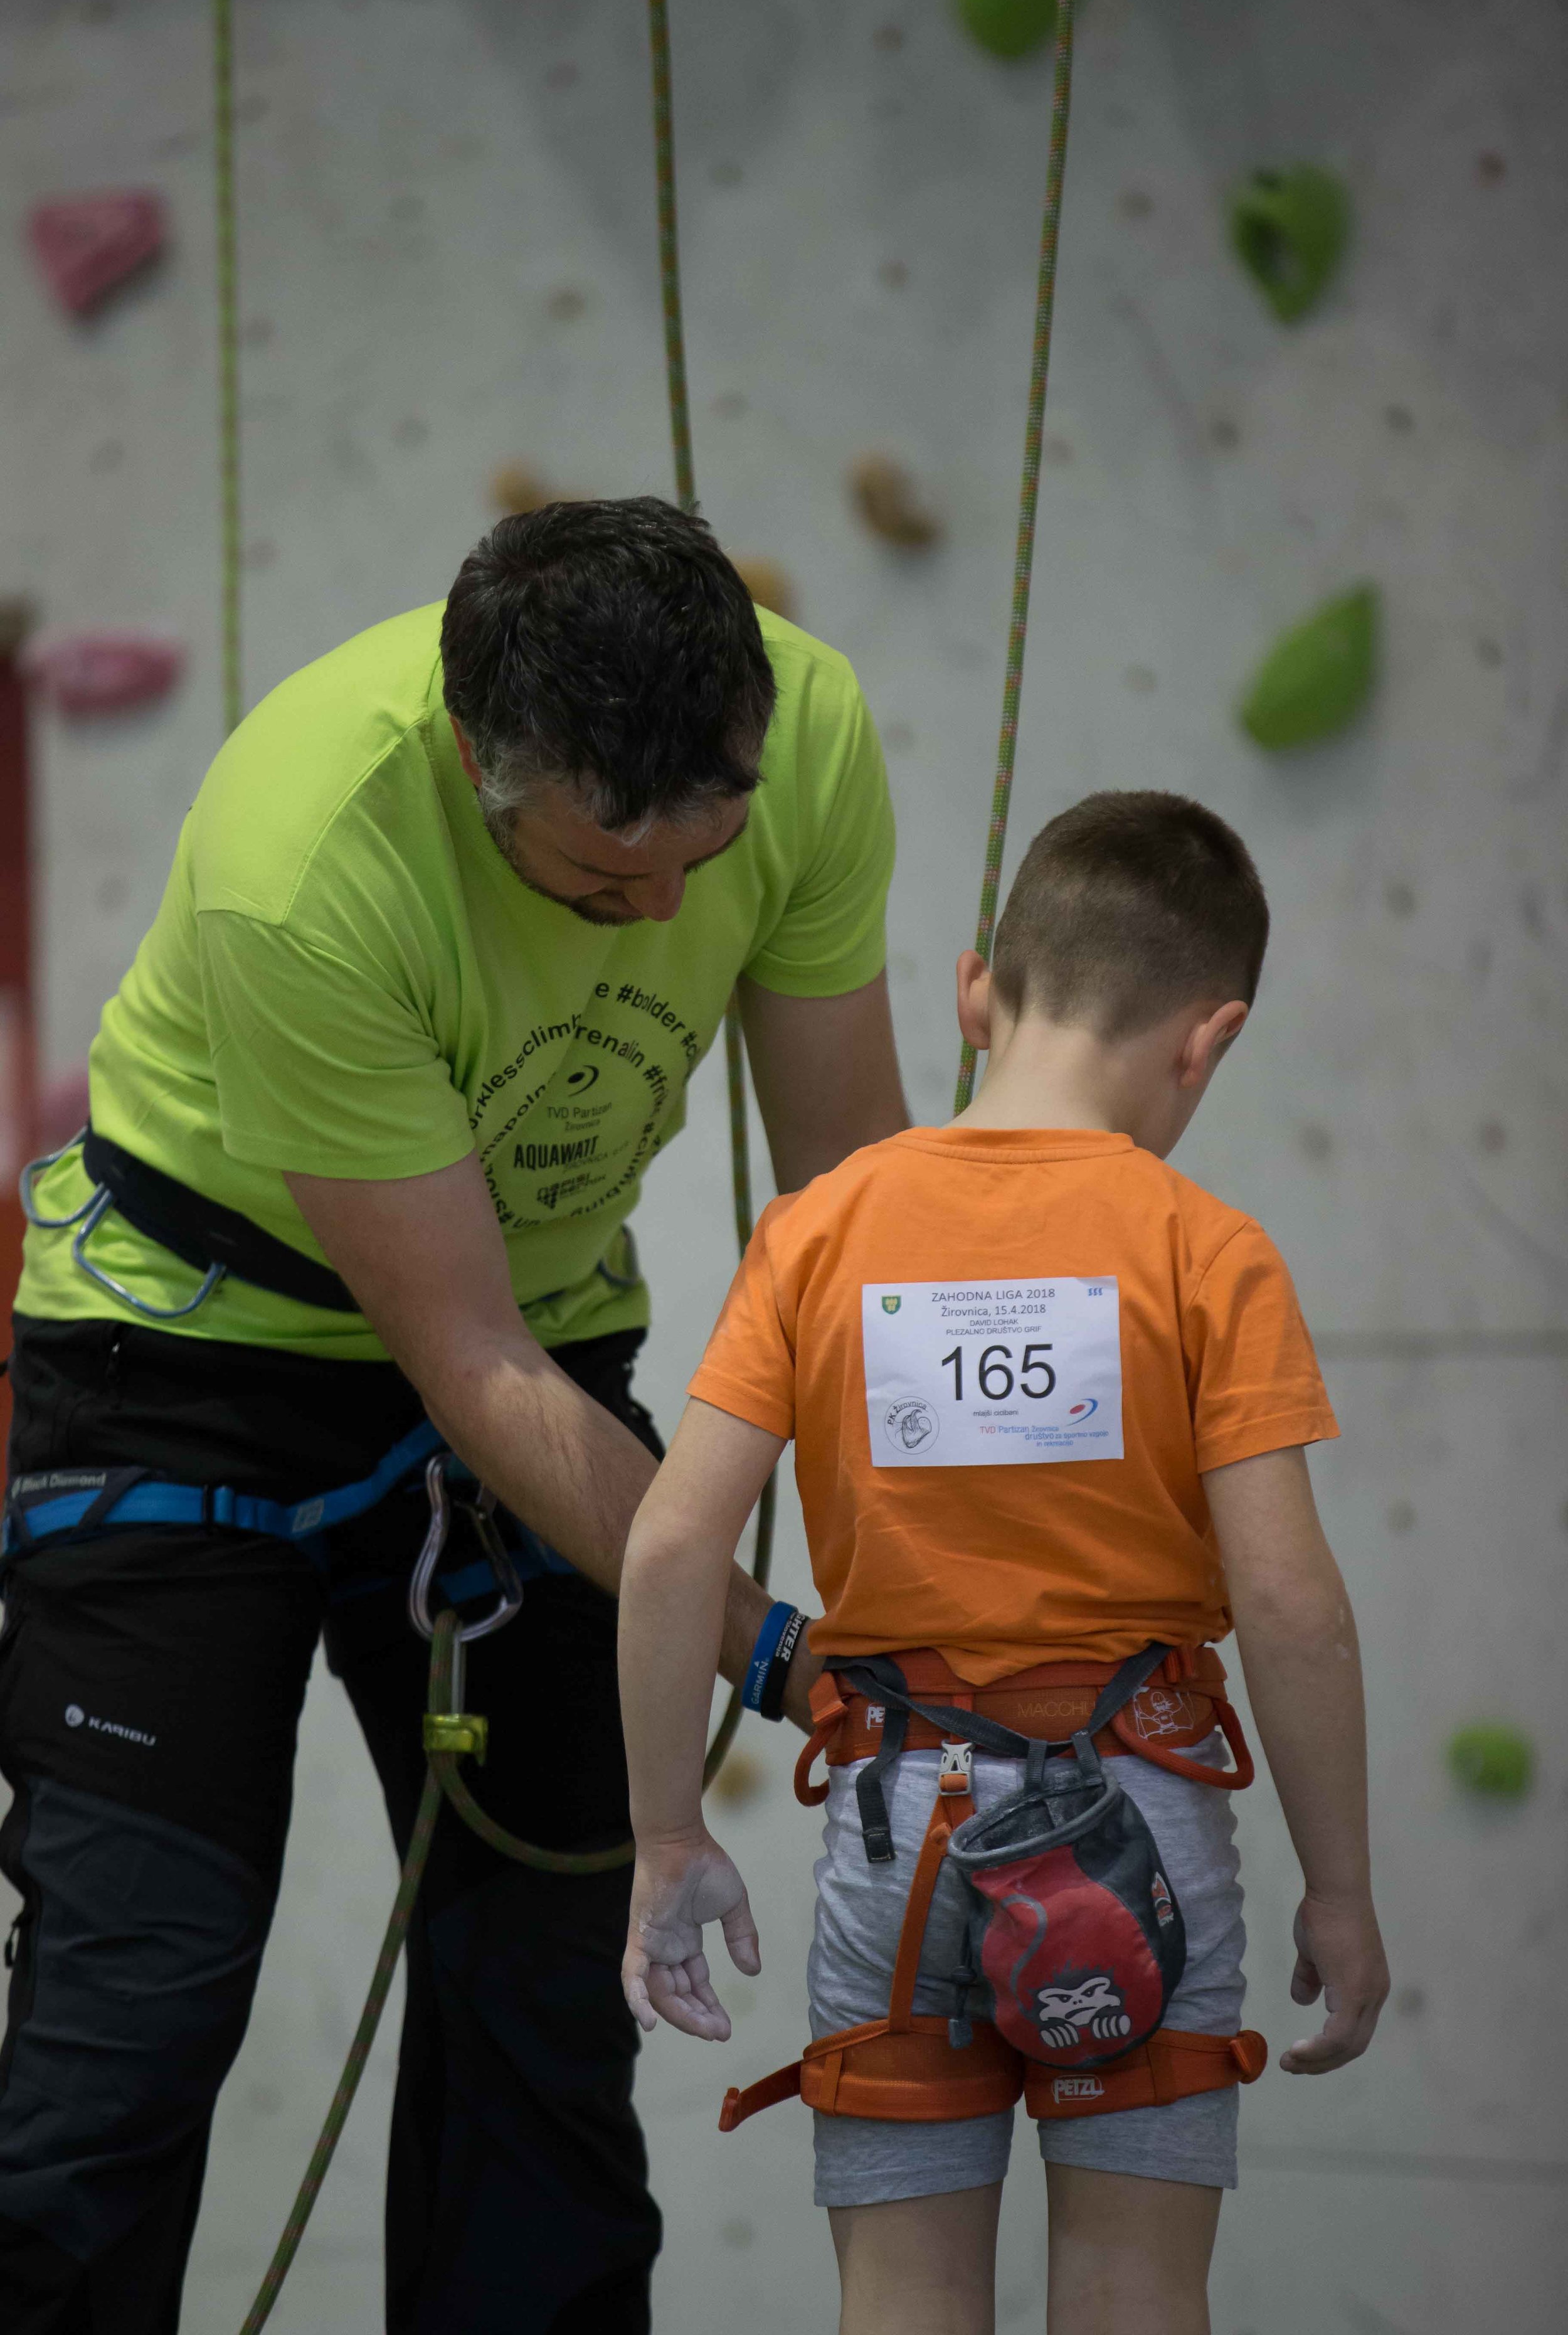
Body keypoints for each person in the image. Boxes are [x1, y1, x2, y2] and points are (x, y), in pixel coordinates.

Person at [0, 497, 909, 2335]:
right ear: (480, 765)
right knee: (137, 2013)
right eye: (595, 886)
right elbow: (464, 1361)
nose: (659, 921)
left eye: (696, 858)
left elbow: (849, 1217)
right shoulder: (313, 854)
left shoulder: (801, 732)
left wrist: (941, 1597)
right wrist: (786, 1655)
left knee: (548, 2010)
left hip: (542, 1345)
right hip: (188, 1381)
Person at [617, 790, 1390, 2335]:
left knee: (900, 2299)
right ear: (1205, 1041)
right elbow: (1290, 1606)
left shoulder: (817, 1233)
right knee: (1131, 2291)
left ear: (976, 990)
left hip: (898, 1824)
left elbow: (667, 1548)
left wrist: (662, 1834)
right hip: (1141, 1825)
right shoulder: (1203, 1250)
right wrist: (1341, 1887)